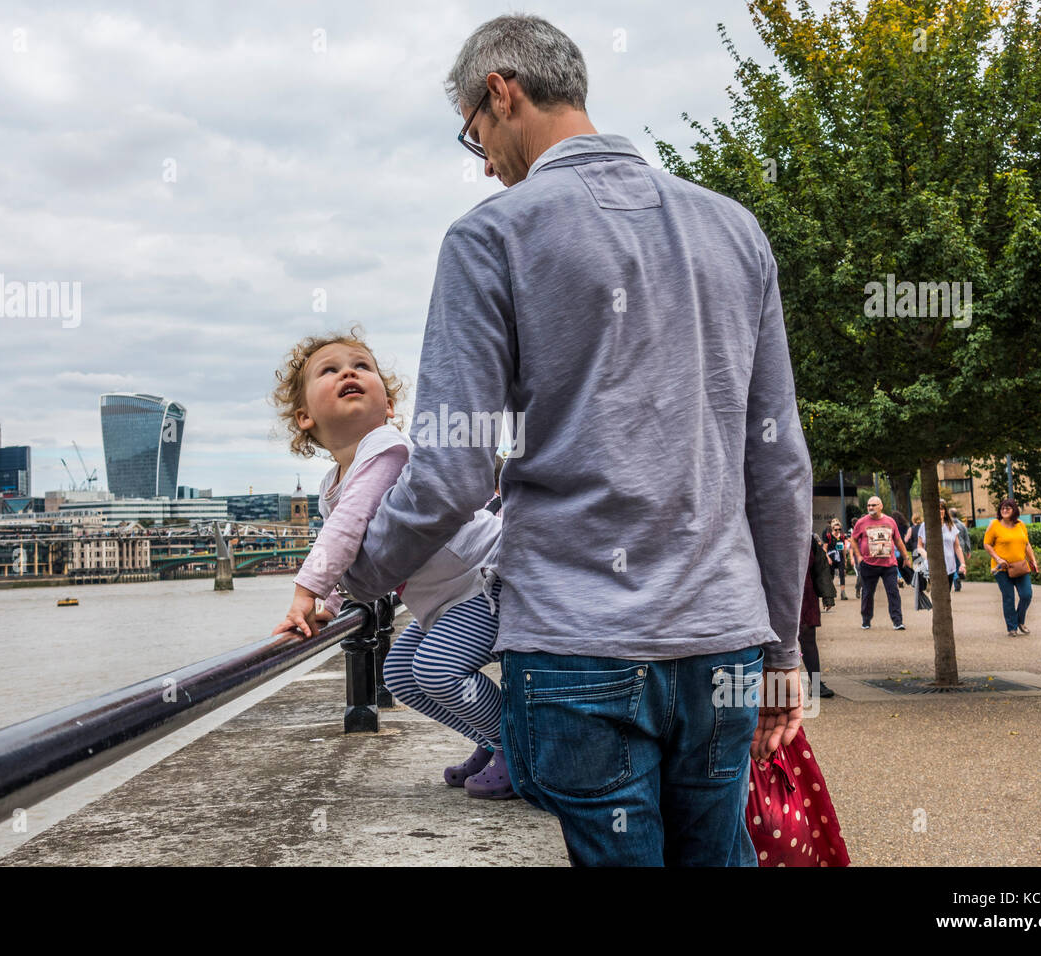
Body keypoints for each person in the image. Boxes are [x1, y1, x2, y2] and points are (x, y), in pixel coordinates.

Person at [340, 13, 812, 867]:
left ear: (501, 92)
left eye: (474, 133)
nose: (483, 160)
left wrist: (353, 575)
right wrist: (780, 650)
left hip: (575, 639)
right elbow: (777, 465)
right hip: (721, 639)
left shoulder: (492, 236)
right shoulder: (735, 230)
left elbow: (450, 472)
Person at [269, 330, 511, 798]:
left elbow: (347, 527)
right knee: (400, 672)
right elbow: (351, 551)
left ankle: (516, 746)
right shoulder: (330, 484)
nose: (348, 372)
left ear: (389, 407)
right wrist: (331, 602)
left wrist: (307, 593)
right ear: (304, 417)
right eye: (330, 369)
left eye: (362, 366)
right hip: (445, 597)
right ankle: (488, 735)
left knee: (439, 669)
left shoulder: (385, 447)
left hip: (483, 581)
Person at [850, 496, 912, 630]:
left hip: (889, 565)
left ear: (881, 506)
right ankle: (866, 620)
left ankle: (897, 621)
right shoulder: (861, 522)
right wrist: (859, 556)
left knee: (893, 592)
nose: (870, 508)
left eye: (873, 505)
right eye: (868, 505)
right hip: (869, 564)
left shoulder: (890, 521)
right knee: (867, 593)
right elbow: (853, 540)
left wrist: (906, 557)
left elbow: (898, 541)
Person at [983, 497, 1039, 636]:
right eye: (1002, 508)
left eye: (1008, 508)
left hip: (1020, 566)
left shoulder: (1020, 525)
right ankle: (1012, 627)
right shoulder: (994, 524)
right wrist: (998, 558)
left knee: (1026, 595)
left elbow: (1026, 544)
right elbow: (987, 544)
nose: (1005, 510)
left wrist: (1033, 560)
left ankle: (1019, 621)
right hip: (1002, 568)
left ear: (1014, 510)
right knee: (1008, 597)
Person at [801, 533, 836, 698]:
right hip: (773, 594)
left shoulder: (808, 538)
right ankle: (772, 686)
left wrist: (827, 595)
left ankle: (816, 684)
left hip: (804, 593)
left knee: (808, 636)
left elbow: (821, 568)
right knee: (774, 642)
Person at [918, 507, 966, 592]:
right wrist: (927, 557)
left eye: (942, 508)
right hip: (933, 567)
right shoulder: (925, 526)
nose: (939, 511)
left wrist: (962, 564)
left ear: (945, 511)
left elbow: (957, 547)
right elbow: (919, 547)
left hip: (950, 567)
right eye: (937, 508)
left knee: (946, 596)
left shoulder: (951, 526)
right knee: (938, 595)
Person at [822, 519, 851, 601]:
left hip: (840, 557)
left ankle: (843, 593)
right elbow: (825, 549)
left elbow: (844, 549)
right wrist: (827, 558)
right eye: (836, 529)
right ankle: (829, 594)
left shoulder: (842, 537)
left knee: (842, 574)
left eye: (839, 529)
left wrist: (845, 559)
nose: (838, 531)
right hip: (831, 558)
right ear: (832, 529)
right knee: (831, 576)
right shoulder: (828, 536)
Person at [948, 508, 972, 590]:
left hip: (951, 547)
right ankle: (957, 581)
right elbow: (967, 538)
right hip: (960, 548)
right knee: (959, 565)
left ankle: (955, 577)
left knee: (952, 565)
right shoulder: (962, 525)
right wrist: (968, 550)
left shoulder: (948, 524)